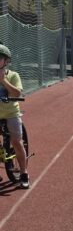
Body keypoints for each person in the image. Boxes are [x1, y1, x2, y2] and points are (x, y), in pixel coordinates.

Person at [0, 44, 30, 188]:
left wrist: (3, 80)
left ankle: (24, 174)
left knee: (17, 141)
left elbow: (17, 93)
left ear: (6, 61)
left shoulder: (13, 75)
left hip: (11, 113)